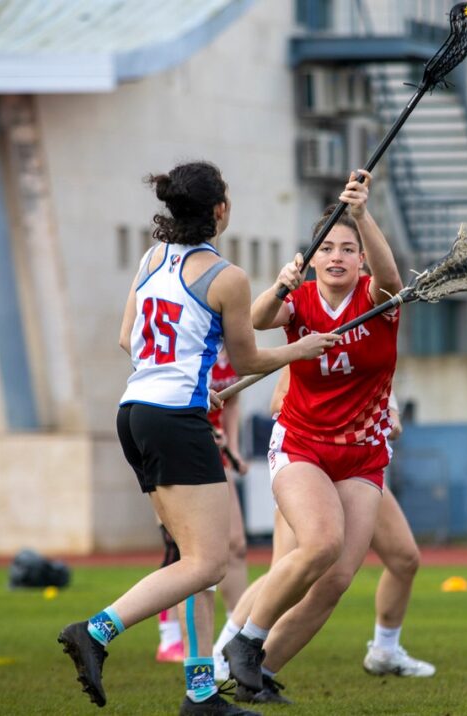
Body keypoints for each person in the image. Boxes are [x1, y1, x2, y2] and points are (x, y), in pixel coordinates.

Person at [57, 160, 337, 716]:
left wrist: (193, 379)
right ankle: (97, 630)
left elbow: (128, 339)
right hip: (175, 421)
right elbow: (248, 359)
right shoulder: (227, 278)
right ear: (219, 210)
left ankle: (201, 693)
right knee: (208, 564)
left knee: (193, 561)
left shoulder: (151, 258)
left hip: (135, 412)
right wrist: (300, 349)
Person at [221, 169, 403, 704]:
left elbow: (392, 278)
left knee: (337, 578)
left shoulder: (378, 299)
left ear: (362, 259)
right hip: (302, 444)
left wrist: (362, 214)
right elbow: (256, 321)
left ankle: (258, 675)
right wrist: (281, 283)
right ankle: (245, 642)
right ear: (312, 258)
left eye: (348, 249)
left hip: (363, 456)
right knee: (320, 544)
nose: (337, 257)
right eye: (327, 249)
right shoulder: (299, 301)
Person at [158, 350, 250, 670]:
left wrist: (232, 448)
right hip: (180, 447)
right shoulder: (193, 342)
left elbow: (232, 401)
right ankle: (170, 636)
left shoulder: (235, 346)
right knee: (183, 549)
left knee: (235, 544)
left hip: (215, 453)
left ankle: (237, 633)